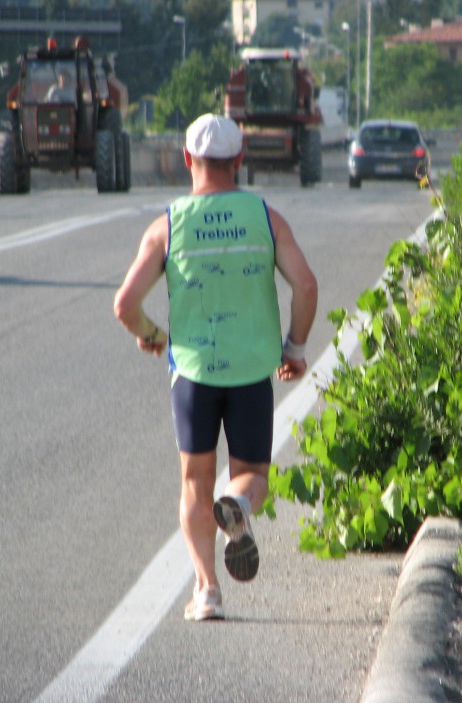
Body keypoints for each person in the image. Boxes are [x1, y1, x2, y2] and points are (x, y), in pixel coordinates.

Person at [113, 114, 318, 622]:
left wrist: (152, 336)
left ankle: (206, 591)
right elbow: (306, 286)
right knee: (250, 476)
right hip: (250, 370)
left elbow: (124, 304)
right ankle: (240, 507)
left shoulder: (167, 224)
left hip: (193, 373)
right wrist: (293, 348)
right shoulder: (267, 218)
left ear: (187, 160)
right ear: (240, 161)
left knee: (194, 483)